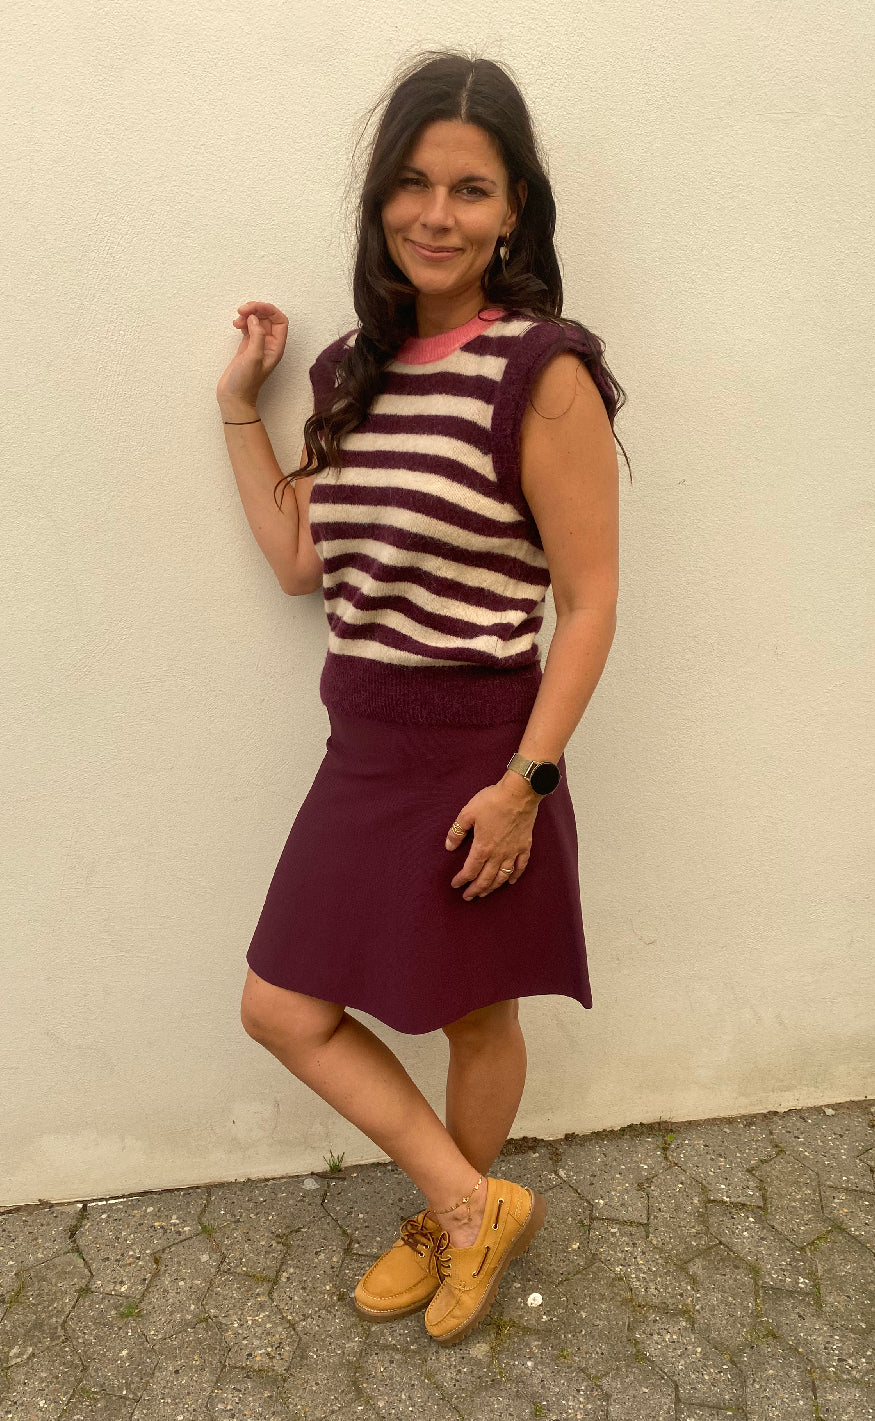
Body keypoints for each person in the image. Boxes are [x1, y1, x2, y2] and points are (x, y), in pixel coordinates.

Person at [216, 49, 627, 1347]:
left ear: (515, 211)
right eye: (412, 182)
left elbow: (591, 602)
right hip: (366, 745)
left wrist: (525, 785)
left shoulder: (542, 372)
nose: (435, 214)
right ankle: (468, 1201)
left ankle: (453, 1215)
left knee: (474, 1010)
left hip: (481, 750)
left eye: (470, 188)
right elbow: (302, 562)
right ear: (380, 197)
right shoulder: (351, 369)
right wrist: (239, 409)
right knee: (282, 1006)